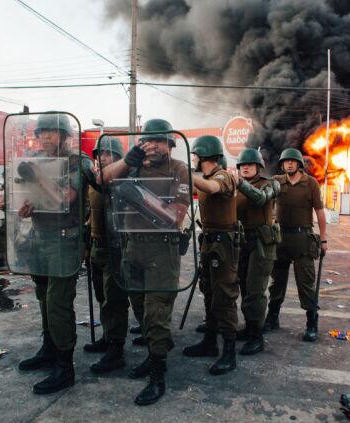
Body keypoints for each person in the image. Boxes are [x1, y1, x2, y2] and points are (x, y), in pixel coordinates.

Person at [99, 118, 190, 405]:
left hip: (162, 250)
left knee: (156, 312)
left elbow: (176, 216)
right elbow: (102, 179)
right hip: (132, 247)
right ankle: (153, 355)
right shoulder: (132, 166)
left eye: (160, 141)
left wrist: (139, 197)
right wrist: (127, 160)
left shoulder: (179, 170)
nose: (153, 146)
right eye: (148, 141)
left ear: (170, 145)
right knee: (140, 308)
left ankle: (158, 375)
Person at [15, 113, 89, 395]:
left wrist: (37, 176)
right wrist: (22, 205)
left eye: (51, 132)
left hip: (63, 240)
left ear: (65, 136)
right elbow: (17, 195)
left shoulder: (78, 162)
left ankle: (64, 366)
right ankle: (48, 349)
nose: (45, 137)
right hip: (38, 237)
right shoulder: (35, 160)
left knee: (58, 302)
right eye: (42, 132)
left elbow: (64, 198)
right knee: (43, 297)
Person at [85, 137, 146, 367]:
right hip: (96, 246)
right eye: (99, 154)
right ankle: (108, 336)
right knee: (102, 296)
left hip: (117, 247)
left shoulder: (124, 179)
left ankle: (116, 348)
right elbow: (89, 212)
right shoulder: (96, 181)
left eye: (108, 154)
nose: (101, 158)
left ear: (120, 158)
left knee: (115, 299)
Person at [182, 135, 240, 375]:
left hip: (224, 245)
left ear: (205, 156)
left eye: (195, 156)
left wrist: (186, 174)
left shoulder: (222, 176)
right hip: (208, 241)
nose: (194, 159)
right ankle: (209, 342)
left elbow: (212, 188)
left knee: (224, 296)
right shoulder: (204, 177)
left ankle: (229, 352)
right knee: (208, 291)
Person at [265, 148, 327, 342]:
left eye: (293, 161)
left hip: (303, 239)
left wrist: (323, 239)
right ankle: (272, 318)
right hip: (281, 238)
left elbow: (320, 212)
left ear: (299, 164)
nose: (289, 164)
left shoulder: (311, 184)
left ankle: (311, 323)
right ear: (282, 165)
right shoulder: (276, 181)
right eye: (286, 161)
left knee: (306, 283)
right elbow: (265, 202)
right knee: (277, 283)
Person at [231, 148, 280, 355]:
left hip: (261, 242)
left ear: (259, 166)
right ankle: (250, 327)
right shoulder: (237, 186)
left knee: (255, 291)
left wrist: (239, 183)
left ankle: (256, 336)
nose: (245, 168)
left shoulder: (270, 184)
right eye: (242, 165)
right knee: (243, 286)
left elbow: (260, 199)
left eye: (250, 164)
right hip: (241, 241)